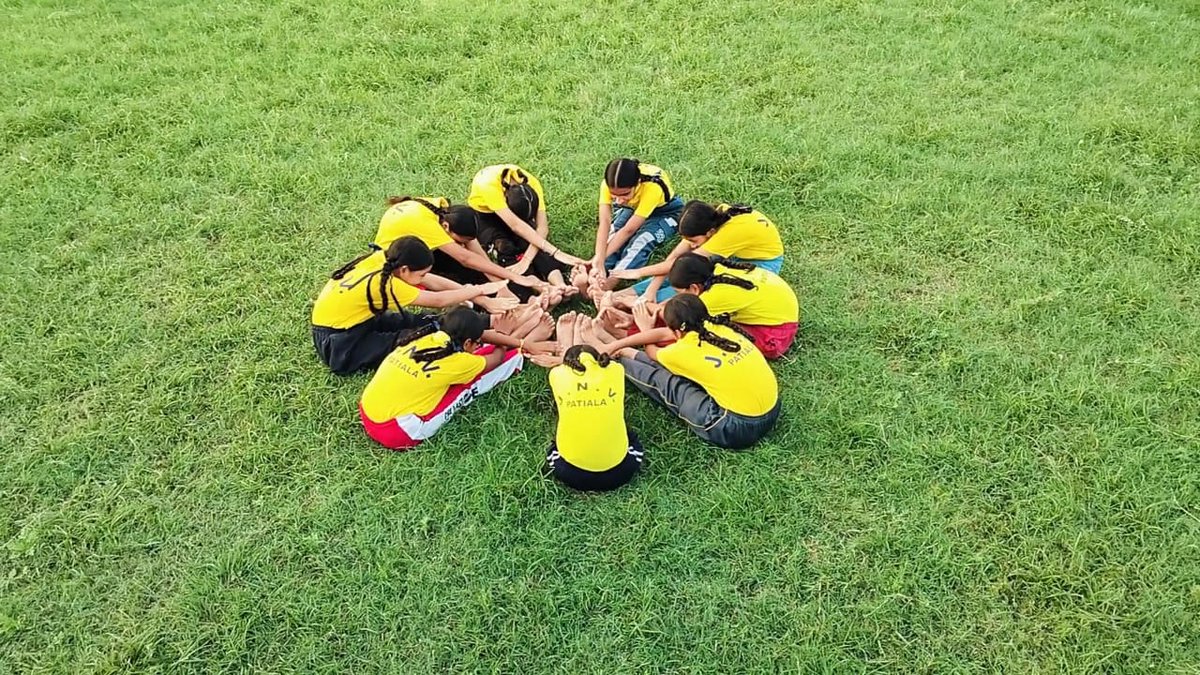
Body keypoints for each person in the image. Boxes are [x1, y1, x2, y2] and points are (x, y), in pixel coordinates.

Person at [591, 294, 780, 449]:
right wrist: (619, 343)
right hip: (772, 408)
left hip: (733, 427)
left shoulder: (681, 351)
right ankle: (617, 348)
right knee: (681, 370)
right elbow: (665, 334)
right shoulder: (720, 328)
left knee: (668, 381)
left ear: (678, 332)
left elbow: (651, 352)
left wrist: (644, 328)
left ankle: (617, 357)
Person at [312, 236, 512, 375]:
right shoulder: (386, 284)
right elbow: (438, 300)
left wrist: (478, 297)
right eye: (421, 275)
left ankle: (490, 320)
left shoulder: (383, 260)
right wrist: (481, 290)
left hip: (358, 322)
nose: (423, 278)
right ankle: (490, 328)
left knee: (415, 320)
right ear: (405, 269)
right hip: (339, 343)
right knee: (412, 338)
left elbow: (432, 284)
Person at [359, 307, 525, 450]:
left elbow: (473, 352)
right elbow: (497, 358)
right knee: (468, 384)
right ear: (467, 343)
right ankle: (521, 353)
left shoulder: (425, 337)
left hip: (367, 409)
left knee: (466, 369)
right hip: (396, 431)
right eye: (478, 343)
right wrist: (504, 335)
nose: (478, 346)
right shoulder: (459, 362)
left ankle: (526, 339)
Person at [527, 319, 643, 491]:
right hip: (621, 472)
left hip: (572, 474)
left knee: (555, 445)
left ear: (565, 365)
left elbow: (563, 369)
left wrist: (564, 351)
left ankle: (564, 342)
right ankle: (577, 342)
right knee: (631, 436)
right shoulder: (616, 371)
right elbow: (608, 363)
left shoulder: (556, 375)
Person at [605, 200, 785, 302]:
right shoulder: (710, 218)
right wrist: (651, 288)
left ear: (710, 233)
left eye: (693, 241)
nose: (691, 245)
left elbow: (681, 264)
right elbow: (675, 256)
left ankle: (633, 302)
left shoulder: (728, 234)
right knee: (680, 270)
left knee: (700, 283)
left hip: (762, 265)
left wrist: (638, 272)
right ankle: (623, 296)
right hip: (737, 253)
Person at [372, 195, 547, 298]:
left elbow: (473, 247)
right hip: (398, 261)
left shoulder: (444, 210)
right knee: (464, 280)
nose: (463, 244)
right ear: (446, 228)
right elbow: (466, 258)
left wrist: (499, 281)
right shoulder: (430, 227)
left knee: (482, 271)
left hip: (415, 244)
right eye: (460, 241)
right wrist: (515, 278)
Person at [466, 165, 582, 302]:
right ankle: (543, 289)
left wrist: (539, 254)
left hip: (514, 214)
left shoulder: (532, 183)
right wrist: (525, 261)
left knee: (535, 241)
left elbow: (542, 228)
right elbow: (515, 225)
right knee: (505, 248)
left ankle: (560, 285)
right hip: (486, 217)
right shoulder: (489, 187)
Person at [667, 254, 799, 359]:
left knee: (694, 332)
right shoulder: (720, 268)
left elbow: (681, 321)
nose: (676, 296)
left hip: (775, 338)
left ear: (694, 288)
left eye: (678, 293)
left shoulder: (713, 297)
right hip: (784, 315)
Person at [588, 158, 684, 279]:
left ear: (638, 183)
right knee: (613, 232)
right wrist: (598, 259)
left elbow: (629, 230)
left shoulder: (652, 187)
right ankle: (596, 275)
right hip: (633, 208)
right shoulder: (609, 184)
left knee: (641, 241)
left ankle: (610, 281)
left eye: (625, 194)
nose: (619, 201)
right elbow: (605, 222)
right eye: (614, 196)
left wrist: (600, 258)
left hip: (665, 212)